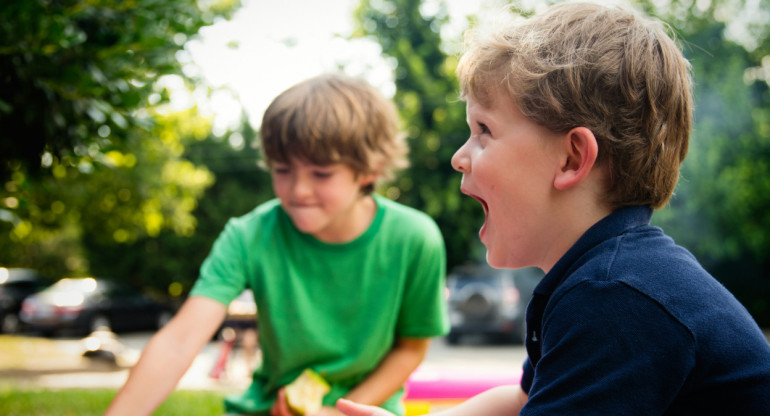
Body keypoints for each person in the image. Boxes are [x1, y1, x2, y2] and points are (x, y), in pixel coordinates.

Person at [336, 3, 770, 416]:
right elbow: (524, 400)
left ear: (571, 158)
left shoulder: (614, 296)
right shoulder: (601, 276)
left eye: (483, 130)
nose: (458, 157)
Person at [105, 73, 449, 416]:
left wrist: (339, 411)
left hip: (366, 410)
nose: (298, 190)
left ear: (370, 170)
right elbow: (179, 342)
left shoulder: (415, 238)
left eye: (321, 173)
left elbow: (411, 348)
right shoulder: (248, 235)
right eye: (283, 170)